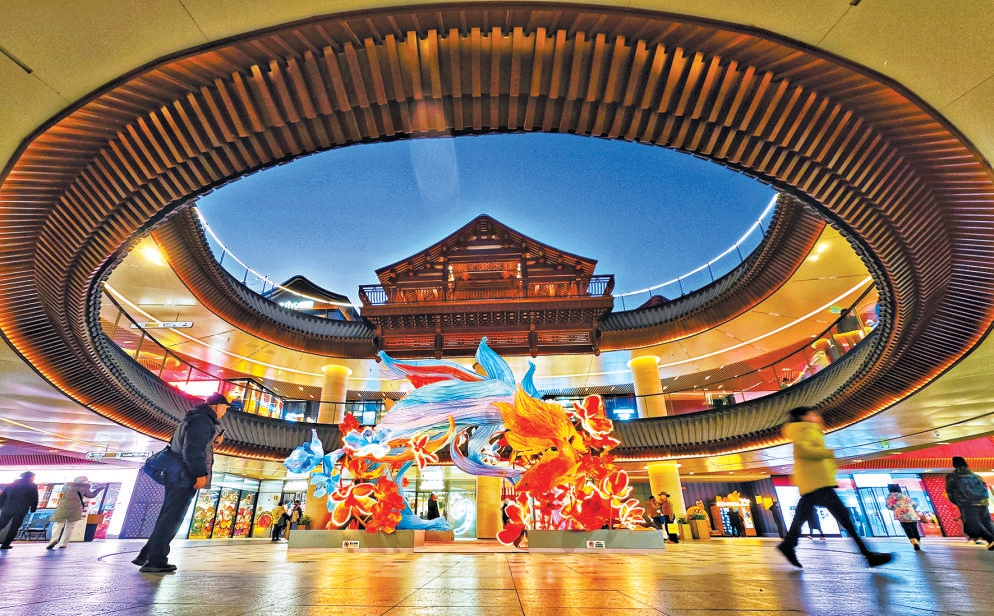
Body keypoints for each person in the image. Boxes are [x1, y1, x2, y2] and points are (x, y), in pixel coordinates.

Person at [776, 406, 892, 568]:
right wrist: (827, 453)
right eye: (812, 414)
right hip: (817, 481)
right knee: (844, 517)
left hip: (814, 481)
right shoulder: (805, 430)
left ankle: (788, 544)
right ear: (804, 417)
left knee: (805, 516)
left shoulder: (806, 430)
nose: (817, 416)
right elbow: (804, 452)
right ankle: (868, 554)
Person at [135, 392, 229, 573]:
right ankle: (156, 561)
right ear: (217, 405)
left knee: (167, 516)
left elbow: (189, 444)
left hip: (177, 473)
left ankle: (147, 556)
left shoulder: (194, 418)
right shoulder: (203, 420)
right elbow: (191, 449)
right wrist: (200, 474)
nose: (225, 412)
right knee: (172, 519)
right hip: (183, 476)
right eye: (225, 408)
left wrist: (212, 443)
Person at [944, 456, 994, 549]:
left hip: (967, 504)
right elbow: (984, 489)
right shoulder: (977, 476)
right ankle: (991, 540)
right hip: (982, 503)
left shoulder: (952, 477)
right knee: (987, 523)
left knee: (972, 525)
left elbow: (950, 493)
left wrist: (958, 503)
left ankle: (990, 539)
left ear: (954, 465)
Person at [48, 476, 105, 549]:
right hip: (75, 509)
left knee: (58, 525)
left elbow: (62, 494)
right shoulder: (84, 488)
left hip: (63, 507)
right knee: (69, 526)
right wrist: (98, 490)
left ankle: (54, 540)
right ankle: (63, 543)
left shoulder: (67, 486)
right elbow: (91, 495)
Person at [0, 471, 39, 550]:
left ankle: (6, 544)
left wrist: (1, 506)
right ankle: (5, 544)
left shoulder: (12, 484)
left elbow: (3, 496)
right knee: (14, 528)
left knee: (1, 524)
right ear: (31, 477)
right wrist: (33, 508)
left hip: (7, 508)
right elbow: (34, 498)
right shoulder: (32, 486)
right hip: (21, 510)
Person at [885, 484, 922, 551]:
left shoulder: (890, 497)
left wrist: (895, 508)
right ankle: (918, 542)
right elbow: (914, 504)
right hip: (912, 515)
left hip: (902, 516)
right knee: (914, 529)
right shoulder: (905, 495)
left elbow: (889, 506)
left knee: (908, 530)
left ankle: (915, 543)